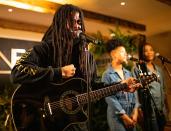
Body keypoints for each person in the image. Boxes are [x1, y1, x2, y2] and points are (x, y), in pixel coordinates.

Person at [11, 4, 139, 131]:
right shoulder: (45, 48)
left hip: (77, 123)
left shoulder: (87, 57)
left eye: (78, 22)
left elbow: (93, 88)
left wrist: (121, 85)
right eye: (71, 21)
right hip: (47, 123)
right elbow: (17, 71)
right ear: (60, 23)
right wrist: (58, 72)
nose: (77, 26)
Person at [101, 39, 140, 131]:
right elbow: (110, 98)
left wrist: (135, 111)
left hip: (131, 113)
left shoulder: (128, 73)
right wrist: (124, 117)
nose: (126, 54)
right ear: (113, 54)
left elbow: (134, 93)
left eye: (125, 52)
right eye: (122, 52)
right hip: (116, 117)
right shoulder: (107, 74)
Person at [133, 42, 169, 131]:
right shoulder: (138, 69)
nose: (149, 52)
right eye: (146, 51)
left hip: (161, 109)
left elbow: (163, 89)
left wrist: (167, 106)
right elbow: (134, 90)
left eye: (151, 50)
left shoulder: (159, 69)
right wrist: (138, 108)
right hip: (149, 109)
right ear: (142, 54)